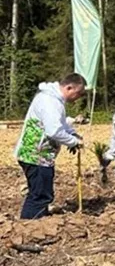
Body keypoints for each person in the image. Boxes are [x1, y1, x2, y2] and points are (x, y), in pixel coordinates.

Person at [14, 73, 86, 219]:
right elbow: (53, 131)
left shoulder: (55, 100)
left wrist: (72, 134)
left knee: (41, 193)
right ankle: (30, 228)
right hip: (35, 155)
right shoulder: (49, 101)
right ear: (69, 87)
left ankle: (40, 222)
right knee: (40, 195)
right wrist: (73, 142)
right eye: (78, 93)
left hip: (41, 156)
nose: (78, 97)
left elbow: (61, 123)